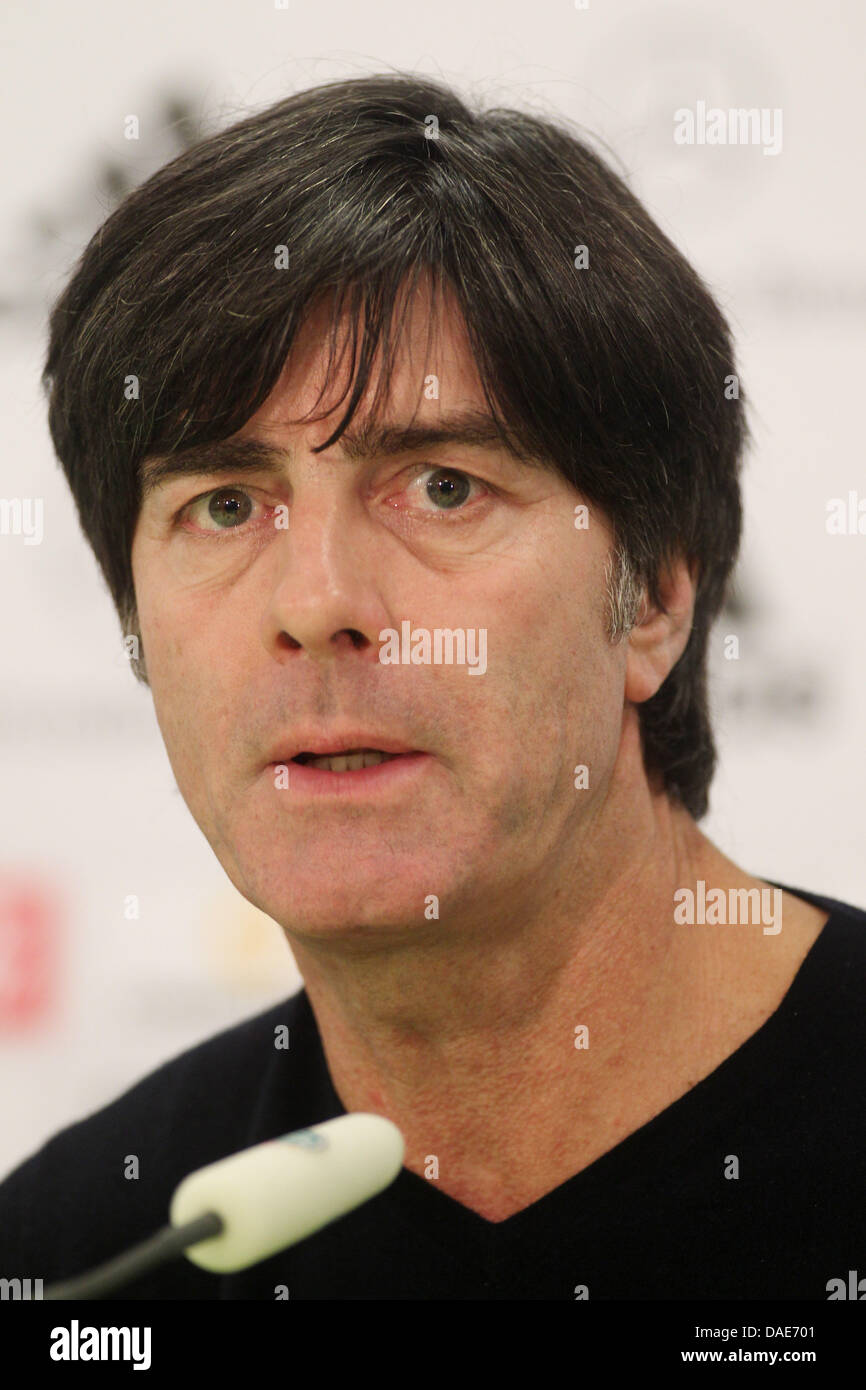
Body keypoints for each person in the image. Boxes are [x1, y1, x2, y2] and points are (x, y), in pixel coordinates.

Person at [1, 70, 863, 1301]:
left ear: (656, 596)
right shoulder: (85, 1259)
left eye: (442, 486)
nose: (314, 605)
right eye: (226, 505)